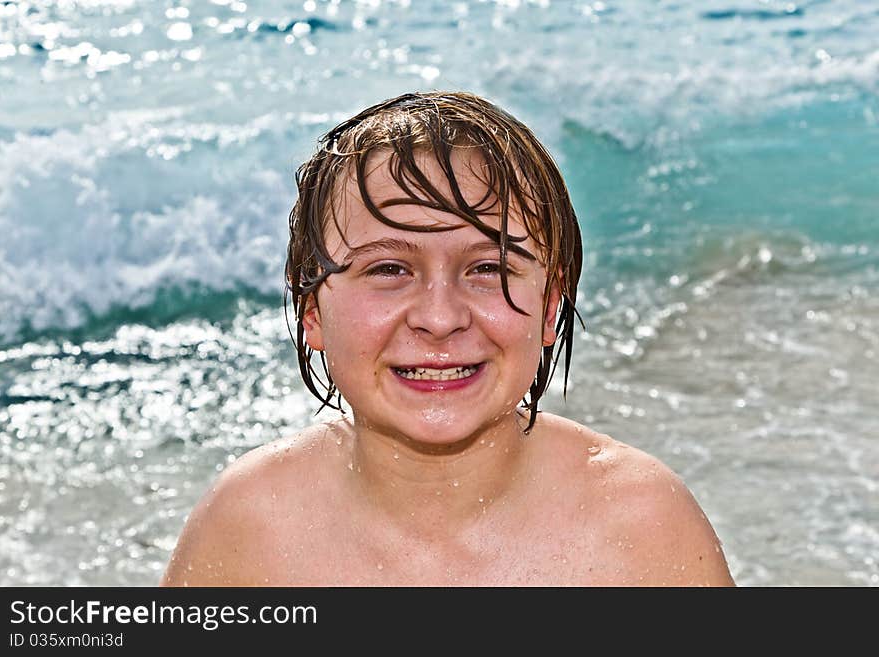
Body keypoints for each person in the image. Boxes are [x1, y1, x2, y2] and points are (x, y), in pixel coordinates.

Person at [160, 91, 735, 586]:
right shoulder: (250, 528)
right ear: (311, 307)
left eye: (488, 269)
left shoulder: (641, 529)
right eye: (388, 270)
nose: (440, 318)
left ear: (550, 306)